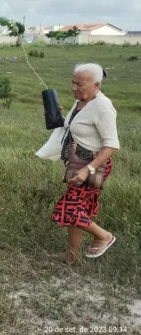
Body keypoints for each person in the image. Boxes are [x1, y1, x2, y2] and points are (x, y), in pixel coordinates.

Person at [50, 63, 119, 264]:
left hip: (92, 166)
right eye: (72, 82)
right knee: (80, 209)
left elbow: (112, 145)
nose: (73, 88)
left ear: (96, 84)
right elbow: (79, 128)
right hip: (77, 162)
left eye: (80, 84)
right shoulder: (81, 101)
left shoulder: (102, 107)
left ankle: (104, 236)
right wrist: (61, 118)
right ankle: (72, 256)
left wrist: (86, 169)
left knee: (69, 209)